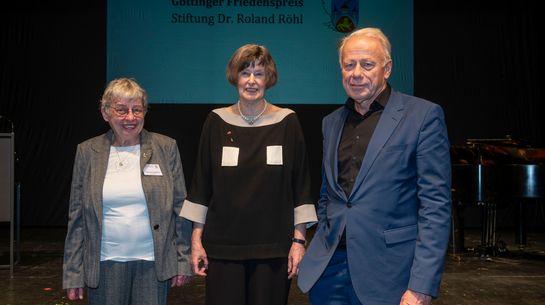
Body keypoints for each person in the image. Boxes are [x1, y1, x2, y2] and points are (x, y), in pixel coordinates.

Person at [297, 28, 452, 305]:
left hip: (388, 275)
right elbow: (328, 195)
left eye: (367, 64)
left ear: (387, 68)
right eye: (349, 65)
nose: (357, 73)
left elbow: (435, 207)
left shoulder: (423, 116)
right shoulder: (330, 123)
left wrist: (422, 285)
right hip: (328, 272)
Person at [180, 44, 317, 305]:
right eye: (245, 73)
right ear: (235, 77)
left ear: (269, 79)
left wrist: (299, 241)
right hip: (222, 250)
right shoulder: (216, 121)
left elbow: (301, 186)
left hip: (274, 250)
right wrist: (196, 241)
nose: (252, 81)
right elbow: (201, 185)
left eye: (259, 74)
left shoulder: (288, 121)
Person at [62, 78, 193, 305]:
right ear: (105, 113)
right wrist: (73, 272)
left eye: (137, 110)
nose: (130, 117)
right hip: (103, 264)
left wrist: (182, 260)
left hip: (153, 264)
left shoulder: (165, 147)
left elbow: (180, 206)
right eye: (121, 110)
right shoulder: (87, 152)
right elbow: (77, 217)